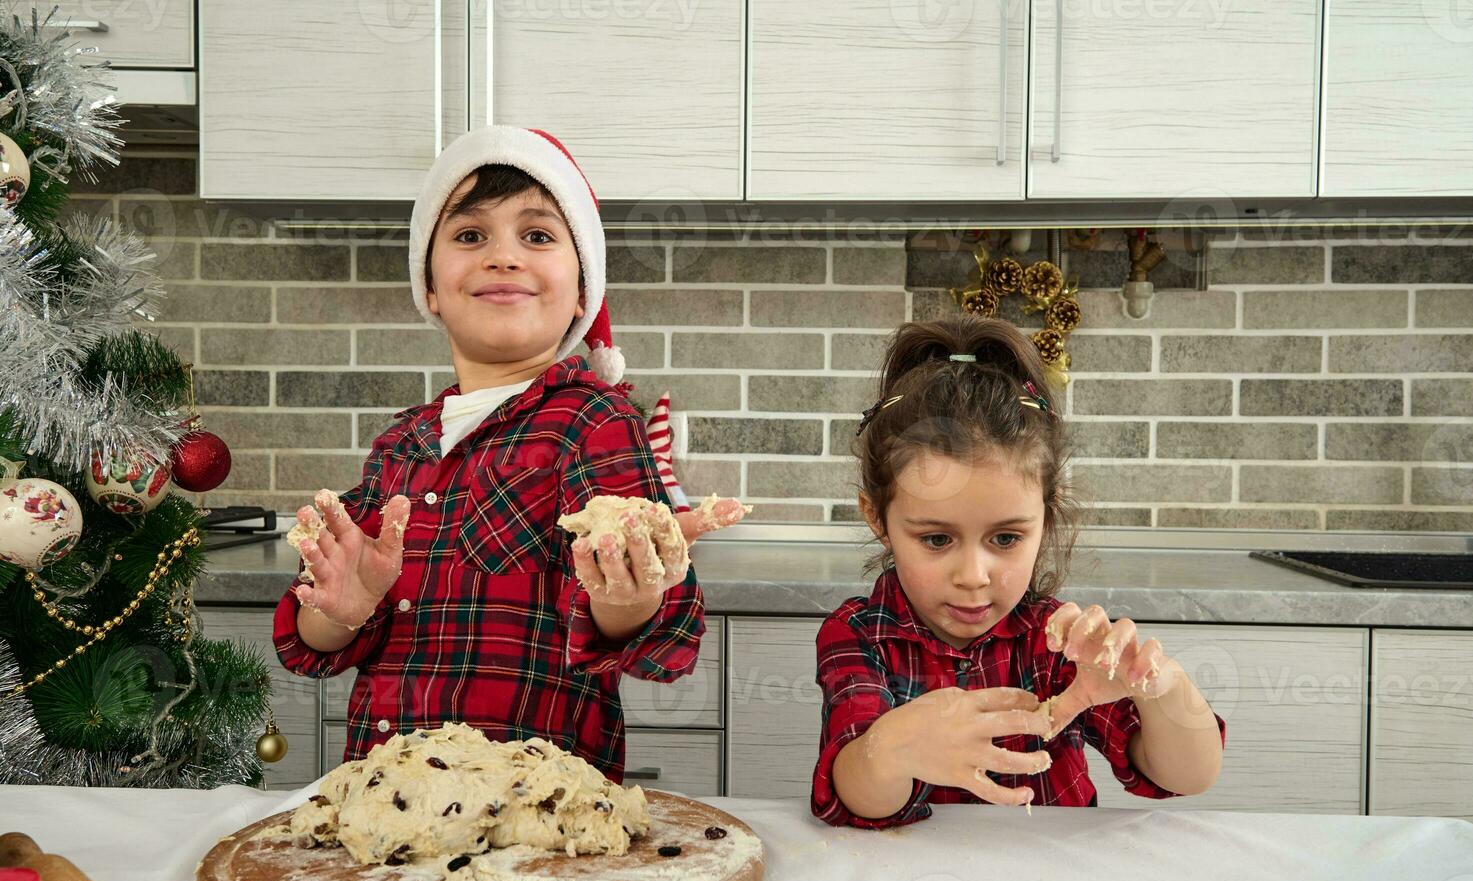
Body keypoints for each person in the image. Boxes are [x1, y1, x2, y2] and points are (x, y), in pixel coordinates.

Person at [272, 126, 744, 779]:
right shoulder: (398, 445)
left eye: (538, 236)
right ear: (430, 286)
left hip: (536, 818)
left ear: (583, 290)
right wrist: (337, 610)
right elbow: (316, 637)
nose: (503, 257)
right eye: (470, 236)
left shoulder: (593, 421)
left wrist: (632, 592)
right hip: (383, 803)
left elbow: (650, 629)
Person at [812, 316, 1225, 828]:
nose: (973, 575)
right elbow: (856, 797)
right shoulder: (859, 636)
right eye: (937, 539)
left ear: (1045, 520)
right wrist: (893, 749)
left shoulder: (1061, 642)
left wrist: (1160, 687)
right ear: (878, 519)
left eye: (1005, 539)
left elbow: (1188, 775)